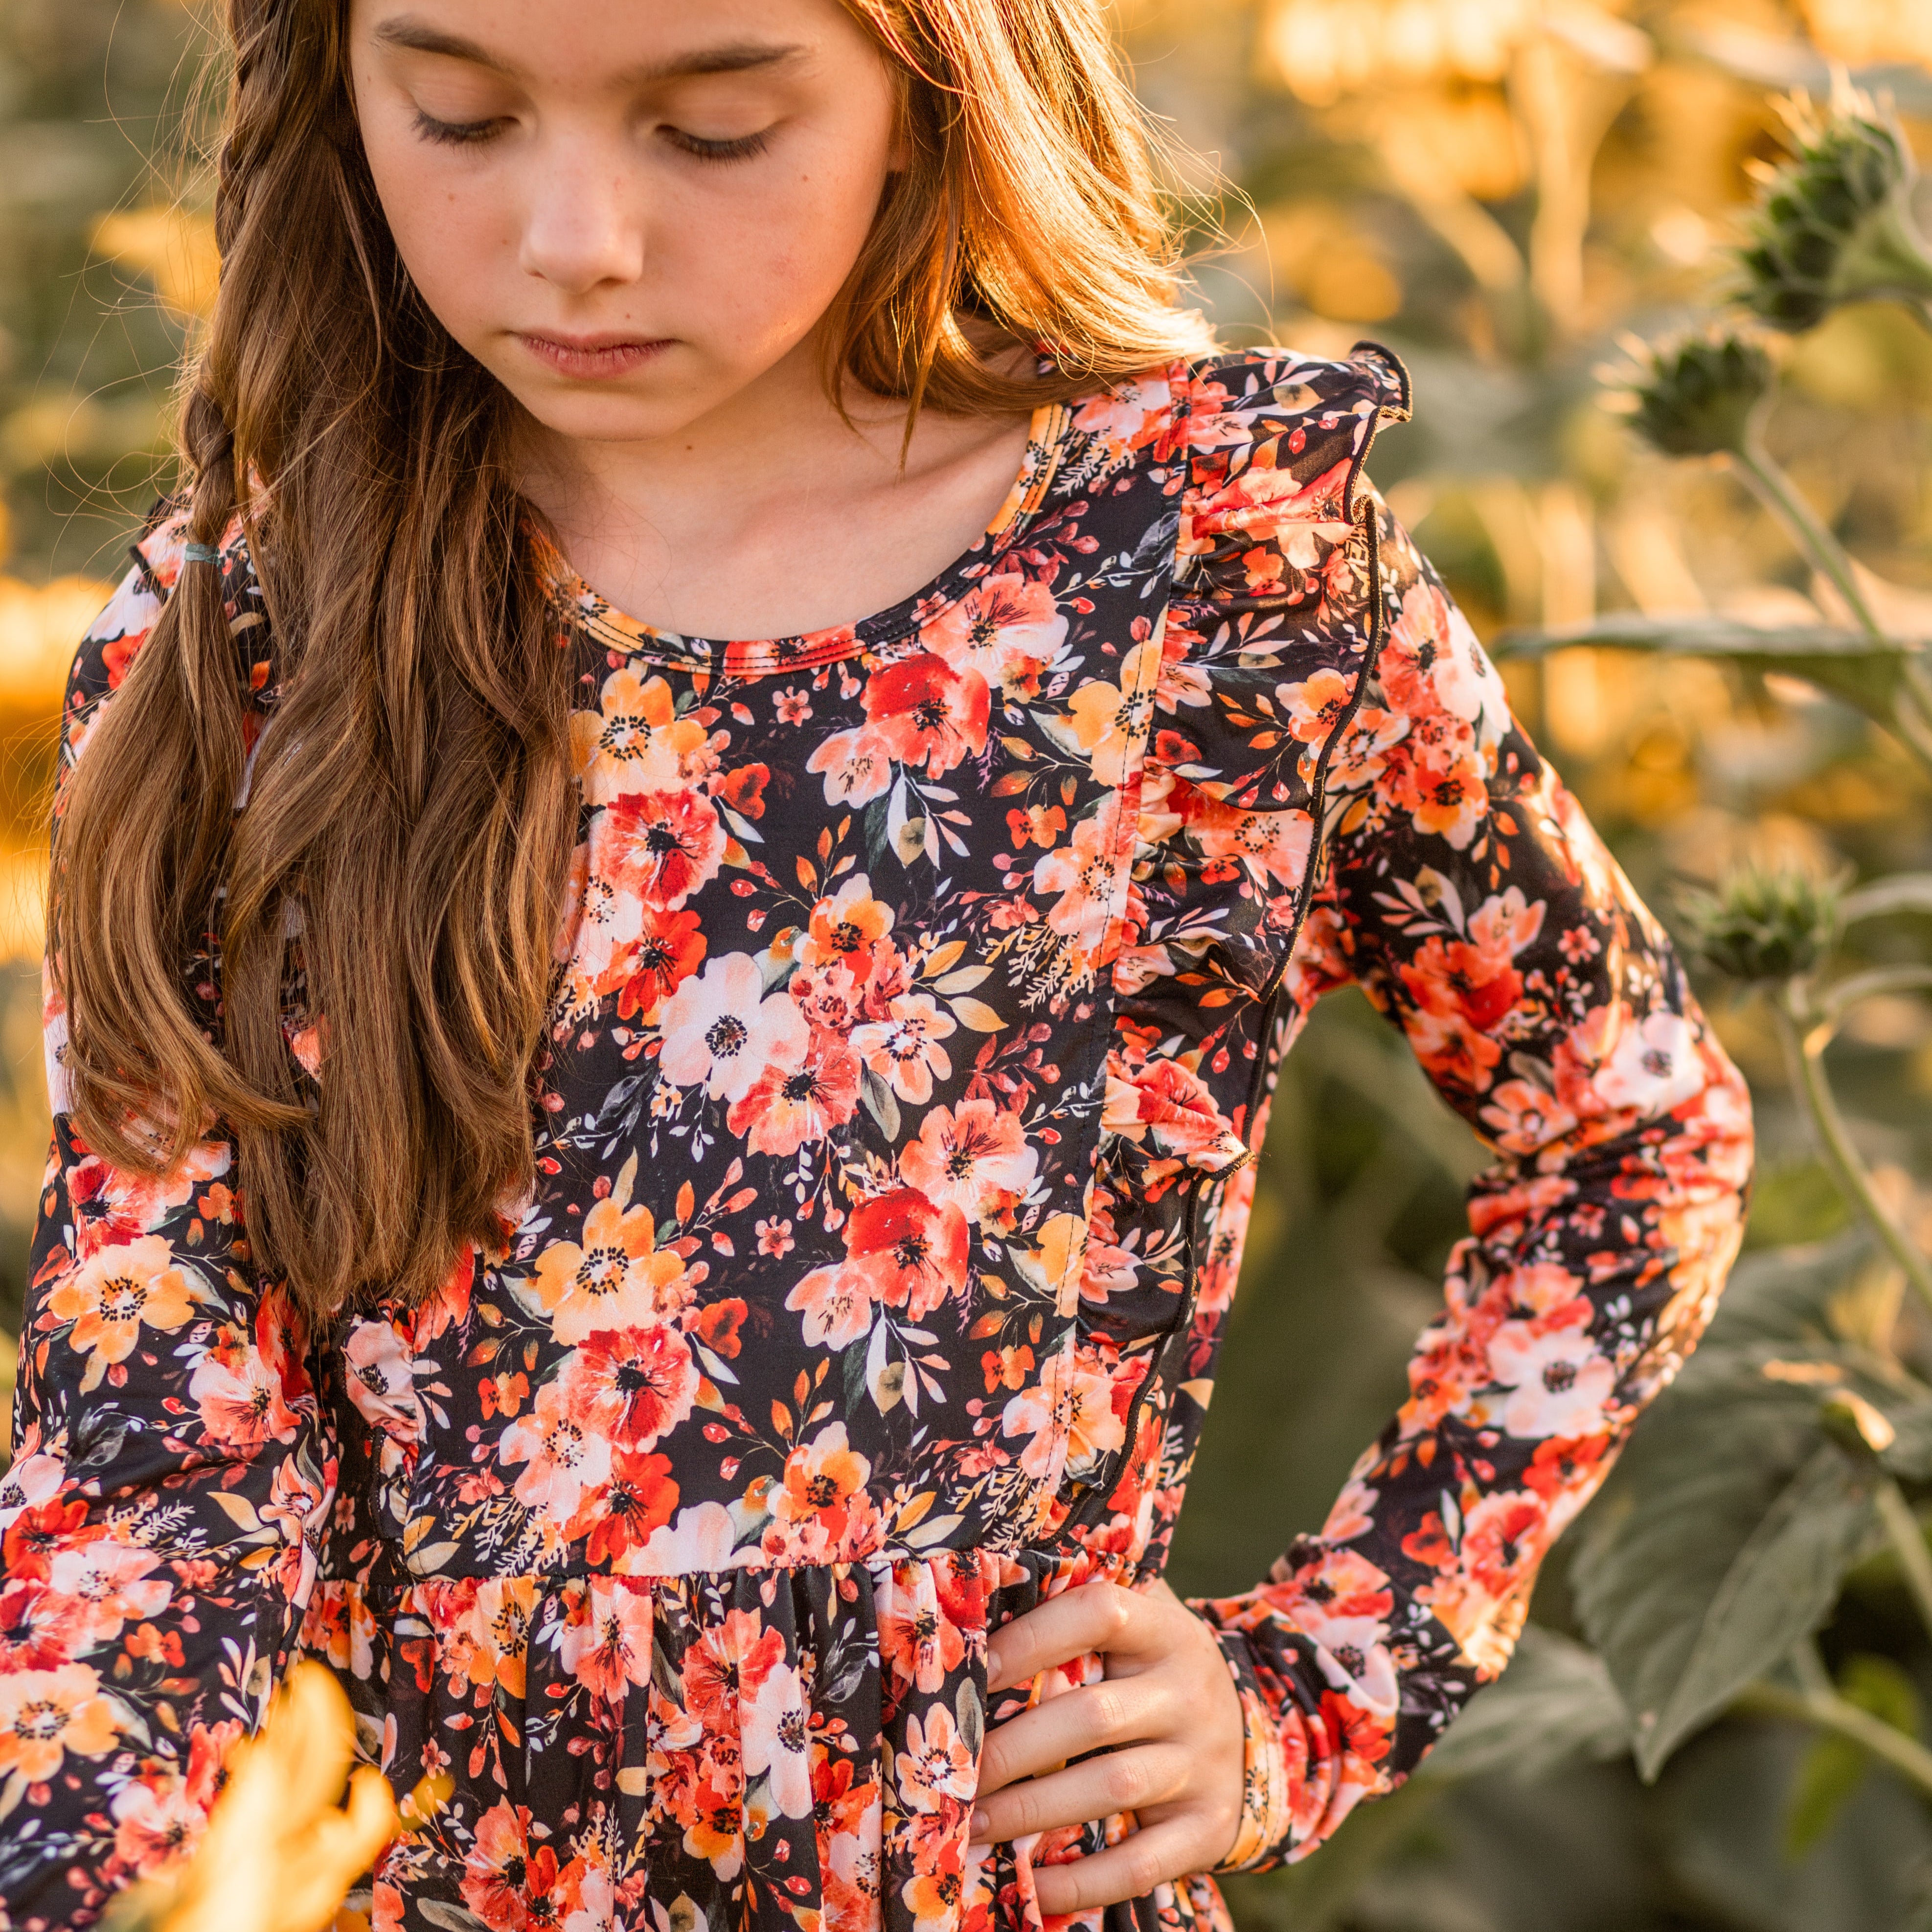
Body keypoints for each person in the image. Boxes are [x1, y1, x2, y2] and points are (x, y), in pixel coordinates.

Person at [0, 0, 1754, 1927]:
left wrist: (1335, 1662)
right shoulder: (254, 635)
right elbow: (153, 1455)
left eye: (715, 130)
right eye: (460, 113)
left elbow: (1629, 1130)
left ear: (933, 90)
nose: (576, 232)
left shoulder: (1202, 579)